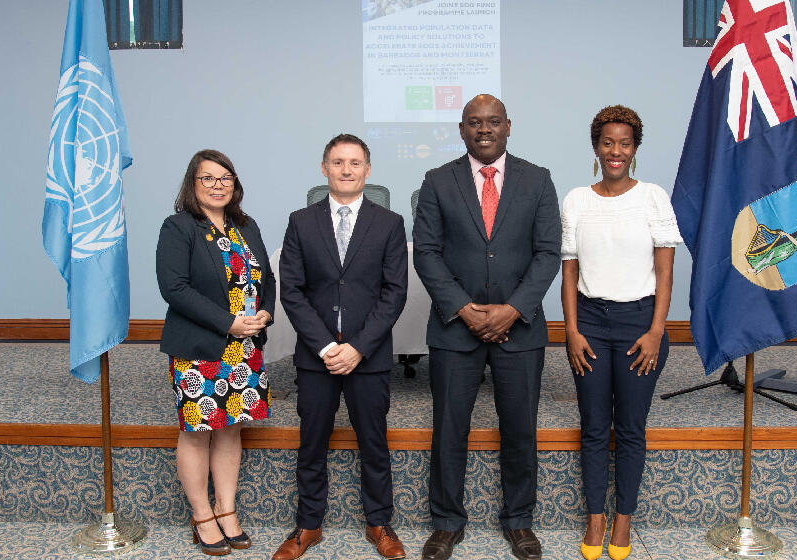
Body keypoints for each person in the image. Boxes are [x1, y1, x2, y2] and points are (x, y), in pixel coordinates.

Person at [413, 94, 561, 560]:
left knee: (520, 428)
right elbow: (427, 252)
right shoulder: (438, 181)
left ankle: (519, 521)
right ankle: (446, 522)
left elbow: (547, 252)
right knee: (449, 428)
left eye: (493, 121)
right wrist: (465, 308)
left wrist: (512, 310)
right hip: (457, 327)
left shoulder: (538, 180)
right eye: (474, 122)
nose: (484, 129)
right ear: (461, 130)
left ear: (508, 126)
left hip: (520, 328)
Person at [273, 134, 408, 560]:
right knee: (312, 443)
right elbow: (291, 291)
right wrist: (326, 346)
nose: (346, 170)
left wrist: (358, 348)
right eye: (337, 162)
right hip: (317, 359)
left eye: (354, 162)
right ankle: (308, 526)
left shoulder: (389, 223)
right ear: (324, 168)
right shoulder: (301, 221)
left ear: (368, 170)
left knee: (374, 442)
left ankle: (379, 523)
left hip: (367, 357)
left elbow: (394, 293)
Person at [560, 105, 681, 560]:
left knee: (630, 428)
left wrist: (655, 332)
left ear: (635, 149)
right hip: (589, 324)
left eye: (624, 144)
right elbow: (568, 274)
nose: (616, 151)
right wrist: (571, 331)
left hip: (639, 326)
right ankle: (595, 518)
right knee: (593, 427)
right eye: (608, 143)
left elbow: (665, 274)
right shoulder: (576, 200)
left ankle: (623, 519)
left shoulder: (653, 197)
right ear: (596, 147)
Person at [156, 149, 276, 556]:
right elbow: (174, 289)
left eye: (225, 178)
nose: (218, 185)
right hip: (201, 349)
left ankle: (227, 510)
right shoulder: (179, 227)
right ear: (193, 184)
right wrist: (228, 323)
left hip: (244, 348)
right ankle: (202, 514)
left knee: (230, 428)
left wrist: (264, 313)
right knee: (198, 432)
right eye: (208, 178)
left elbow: (266, 278)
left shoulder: (246, 225)